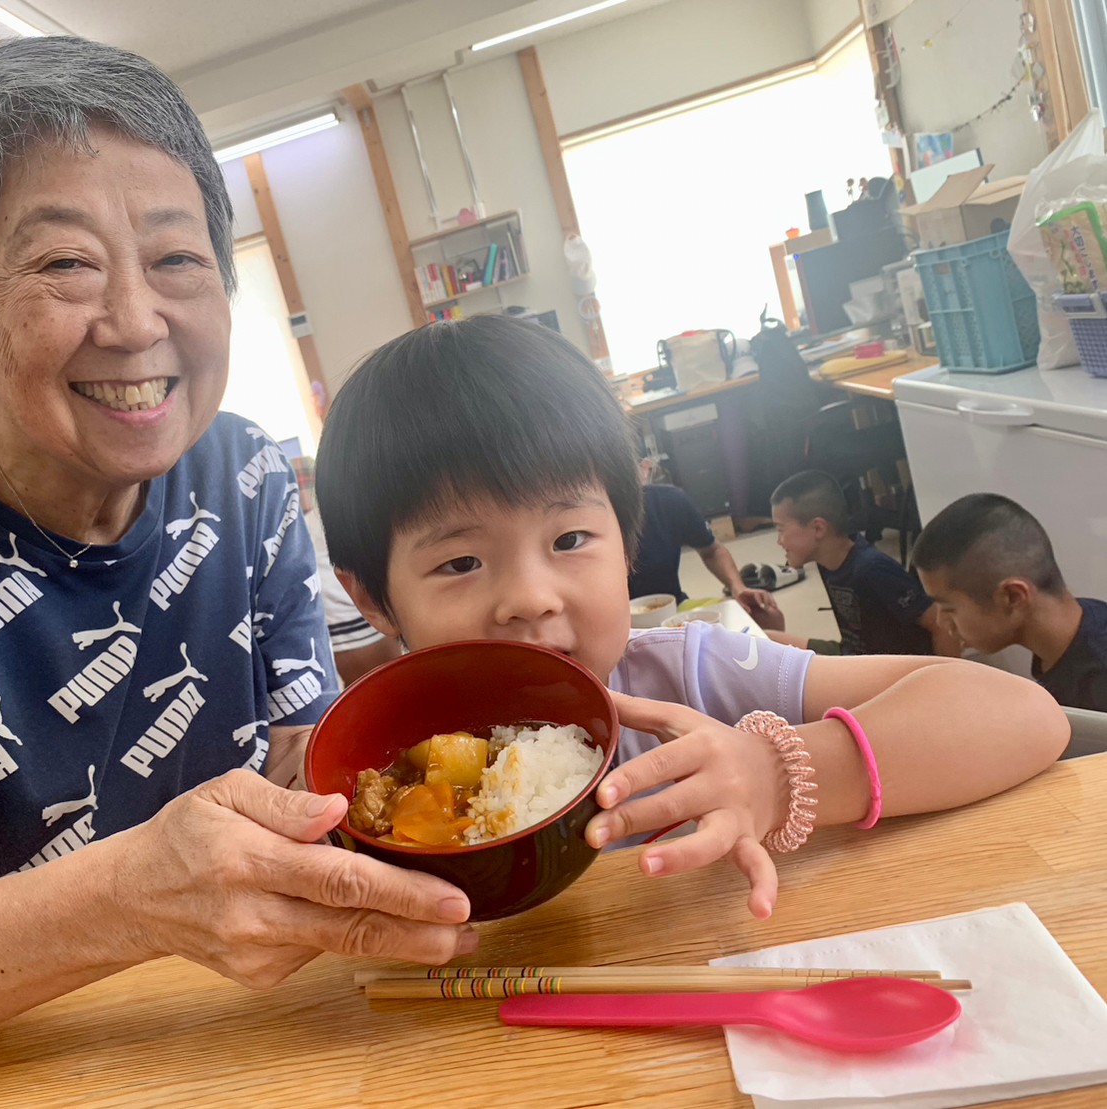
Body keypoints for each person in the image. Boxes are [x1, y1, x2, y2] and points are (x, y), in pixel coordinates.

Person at [0, 38, 474, 1095]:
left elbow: (309, 766)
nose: (136, 320)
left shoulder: (243, 470)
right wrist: (129, 896)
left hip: (248, 1042)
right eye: (65, 264)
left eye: (177, 259)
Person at [314, 316, 1065, 920]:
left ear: (627, 541)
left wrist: (775, 772)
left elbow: (1022, 712)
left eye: (569, 539)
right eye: (459, 562)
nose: (531, 597)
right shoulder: (361, 771)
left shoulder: (693, 675)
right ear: (374, 598)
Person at [912, 493, 1107, 712]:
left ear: (1013, 597)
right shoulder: (1078, 626)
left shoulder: (1097, 687)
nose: (941, 622)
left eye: (949, 609)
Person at [766, 470, 956, 657]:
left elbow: (939, 624)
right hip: (857, 657)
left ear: (818, 528)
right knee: (767, 640)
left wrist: (946, 682)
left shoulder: (872, 569)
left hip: (892, 672)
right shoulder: (827, 562)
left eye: (781, 530)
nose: (779, 541)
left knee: (783, 660)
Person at [628, 457, 782, 629]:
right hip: (613, 627)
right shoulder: (594, 517)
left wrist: (737, 587)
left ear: (644, 468)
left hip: (673, 609)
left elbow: (712, 551)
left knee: (766, 616)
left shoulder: (669, 501)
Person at [294, 455, 402, 685]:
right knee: (396, 690)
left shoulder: (309, 523)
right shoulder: (351, 515)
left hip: (336, 628)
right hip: (358, 625)